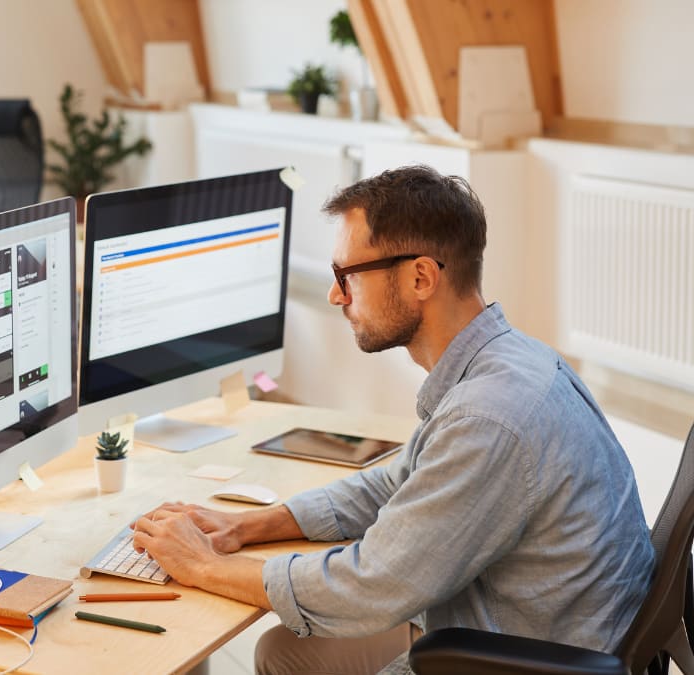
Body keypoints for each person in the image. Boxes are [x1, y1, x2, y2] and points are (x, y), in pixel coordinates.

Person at [131, 165, 655, 675]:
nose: (336, 295)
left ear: (421, 277)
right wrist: (251, 525)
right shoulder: (510, 359)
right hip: (525, 626)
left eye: (346, 276)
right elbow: (399, 482)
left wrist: (204, 566)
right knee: (284, 651)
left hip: (518, 655)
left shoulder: (488, 415)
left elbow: (371, 585)